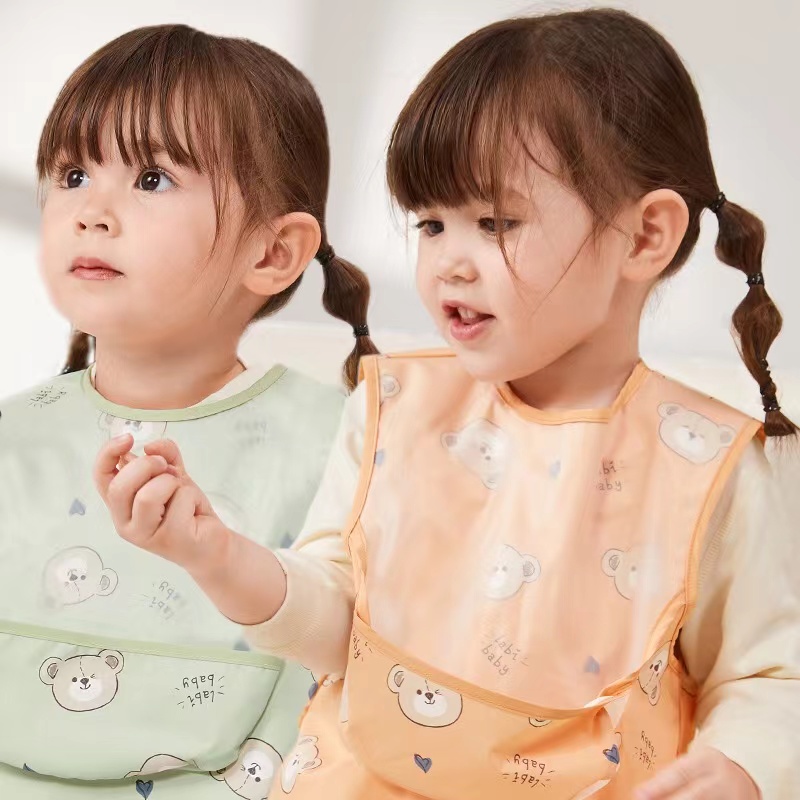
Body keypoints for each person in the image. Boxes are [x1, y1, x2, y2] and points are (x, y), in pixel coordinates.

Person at [97, 9, 800, 800]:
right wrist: (216, 556)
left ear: (644, 237)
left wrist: (742, 768)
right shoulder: (395, 408)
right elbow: (339, 626)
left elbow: (768, 676)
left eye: (495, 223)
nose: (449, 265)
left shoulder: (713, 466)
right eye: (432, 223)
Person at [0, 23, 375, 799]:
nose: (91, 211)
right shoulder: (15, 437)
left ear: (273, 252)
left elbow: (361, 667)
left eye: (152, 179)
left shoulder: (342, 443)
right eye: (73, 174)